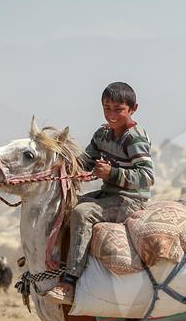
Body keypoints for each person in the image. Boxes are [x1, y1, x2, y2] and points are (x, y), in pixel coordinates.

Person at [45, 82, 154, 304]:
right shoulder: (102, 134)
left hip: (130, 202)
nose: (111, 114)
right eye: (107, 108)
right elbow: (86, 162)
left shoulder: (135, 137)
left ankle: (70, 282)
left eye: (118, 109)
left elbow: (146, 177)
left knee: (83, 213)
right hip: (109, 196)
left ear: (133, 109)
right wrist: (64, 164)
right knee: (63, 206)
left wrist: (112, 173)